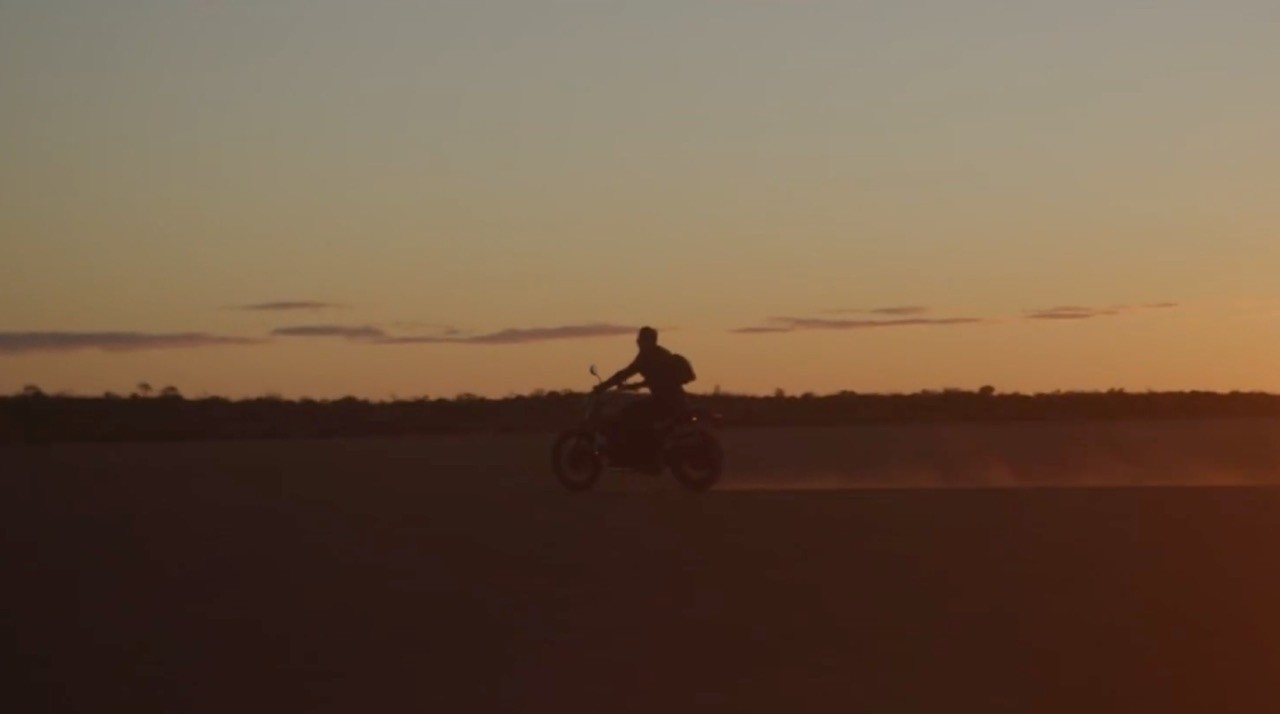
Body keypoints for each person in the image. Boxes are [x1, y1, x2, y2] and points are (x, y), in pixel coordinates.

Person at [593, 326, 690, 465]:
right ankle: (645, 455)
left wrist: (603, 386)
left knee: (629, 413)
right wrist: (633, 386)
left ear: (648, 341)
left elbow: (625, 373)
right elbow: (656, 379)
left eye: (641, 339)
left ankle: (643, 456)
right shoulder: (662, 354)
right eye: (638, 339)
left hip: (665, 402)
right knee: (637, 412)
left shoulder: (646, 356)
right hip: (676, 400)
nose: (638, 342)